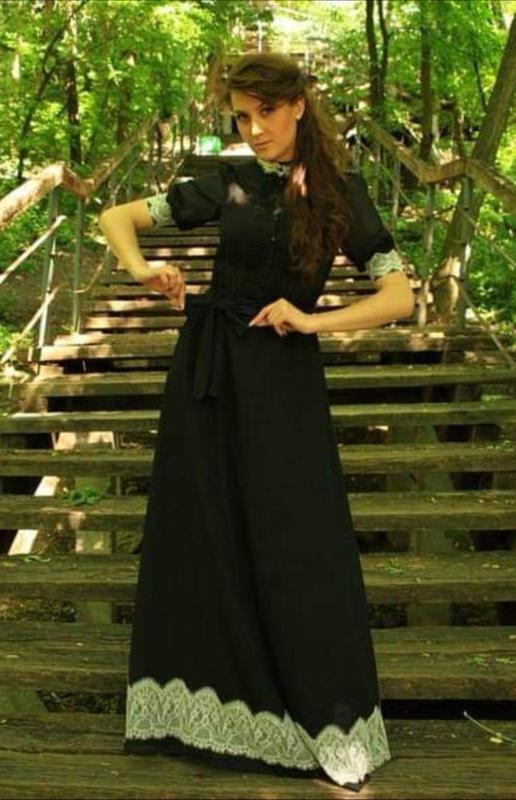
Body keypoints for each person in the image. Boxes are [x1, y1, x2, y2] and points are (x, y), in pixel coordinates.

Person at [99, 51, 414, 791]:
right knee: (204, 527)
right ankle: (206, 713)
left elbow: (399, 296)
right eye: (241, 116)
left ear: (299, 104)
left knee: (296, 535)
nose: (254, 128)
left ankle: (320, 711)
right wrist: (144, 268)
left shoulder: (340, 193)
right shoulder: (229, 181)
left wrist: (313, 320)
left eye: (265, 112)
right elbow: (117, 217)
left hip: (282, 375)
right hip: (208, 373)